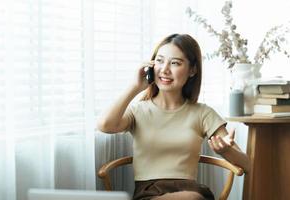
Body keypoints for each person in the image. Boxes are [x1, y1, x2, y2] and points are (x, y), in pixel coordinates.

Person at [97, 33, 250, 200]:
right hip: (149, 192)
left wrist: (226, 150)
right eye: (160, 61)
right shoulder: (138, 111)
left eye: (175, 63)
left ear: (192, 70)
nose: (165, 69)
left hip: (191, 192)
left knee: (192, 198)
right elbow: (105, 125)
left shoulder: (203, 113)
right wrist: (135, 87)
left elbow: (247, 165)